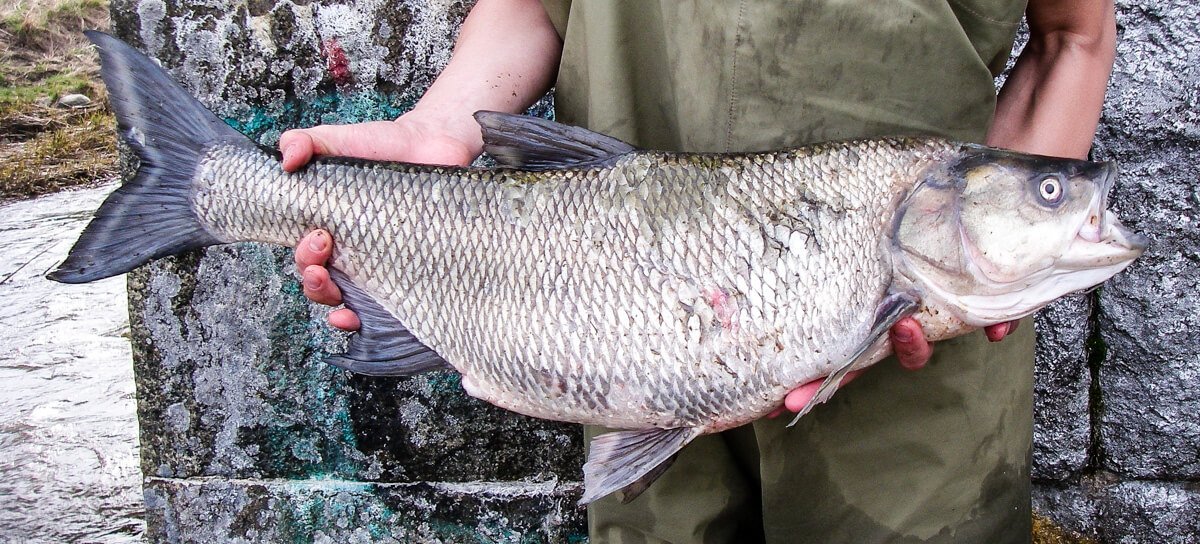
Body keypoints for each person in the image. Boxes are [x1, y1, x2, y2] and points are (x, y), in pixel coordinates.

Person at [282, 0, 1116, 541]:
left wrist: (1013, 243)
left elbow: (1072, 34)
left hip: (919, 389)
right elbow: (530, 6)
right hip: (624, 320)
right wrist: (438, 126)